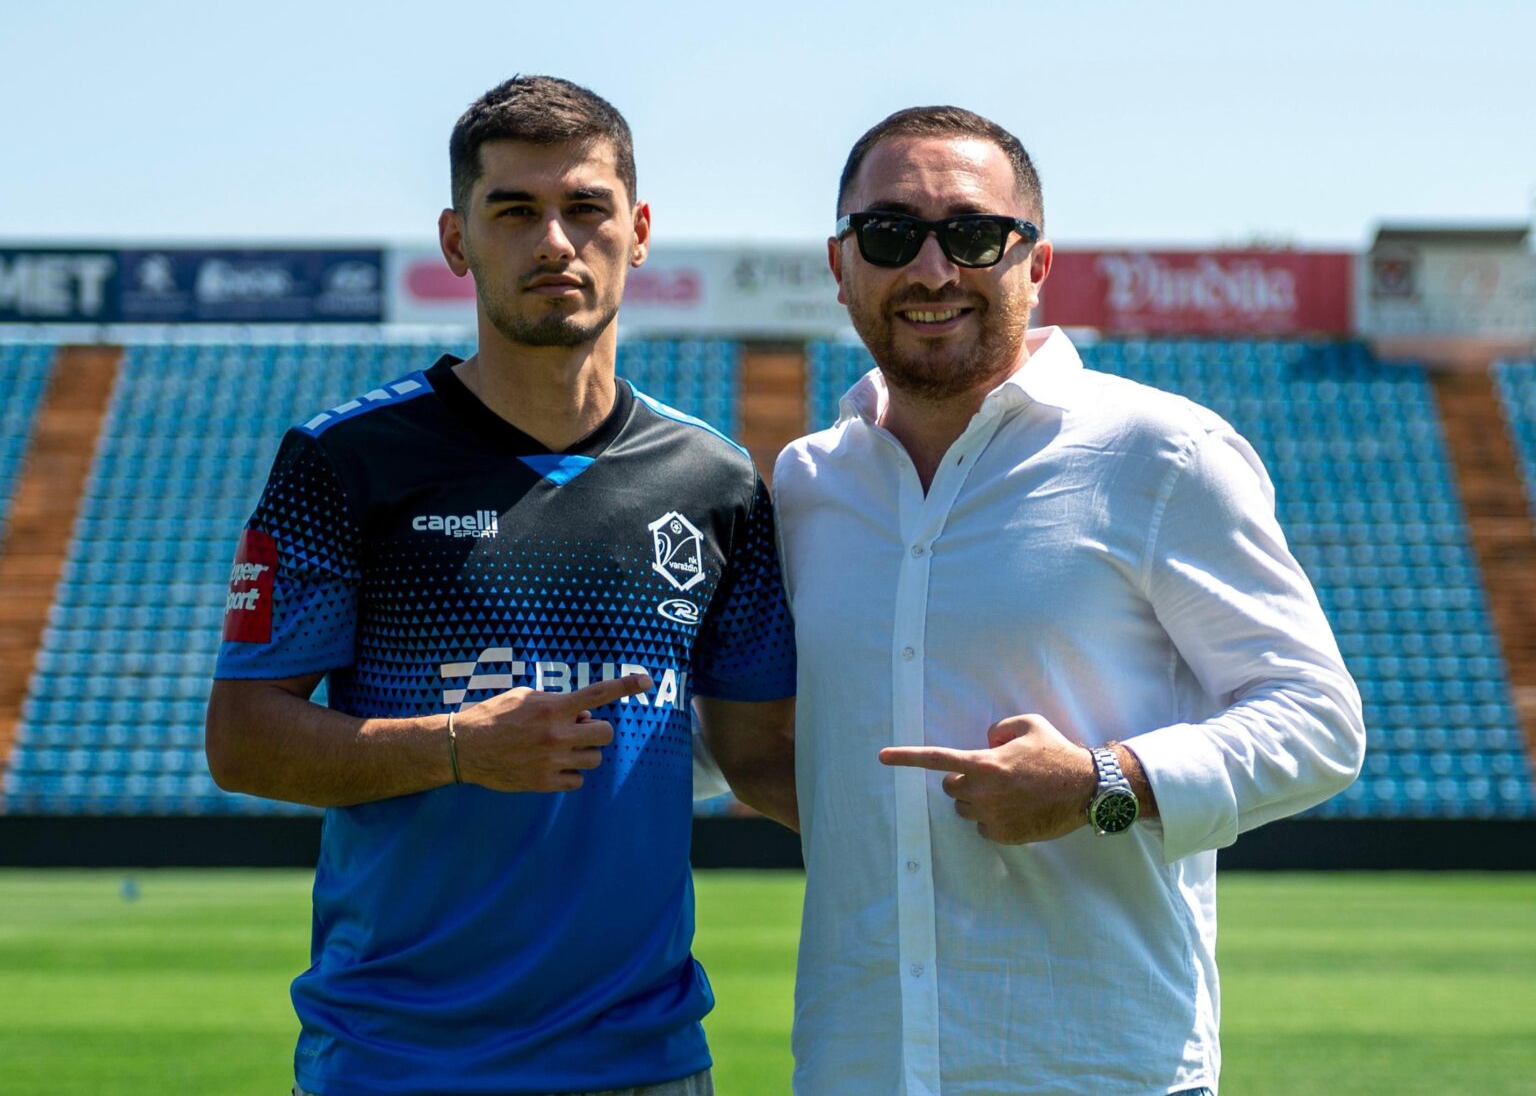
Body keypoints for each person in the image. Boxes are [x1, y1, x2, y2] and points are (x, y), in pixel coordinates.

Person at [206, 75, 797, 1096]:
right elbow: (243, 740)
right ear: (457, 240)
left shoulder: (717, 482)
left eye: (586, 208)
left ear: (638, 232)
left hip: (643, 1062)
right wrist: (456, 747)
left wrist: (955, 823)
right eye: (514, 211)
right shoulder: (347, 460)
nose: (555, 241)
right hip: (396, 1064)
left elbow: (760, 760)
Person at [772, 106, 1365, 1095]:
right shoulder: (806, 485)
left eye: (973, 234)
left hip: (1098, 1068)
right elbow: (758, 736)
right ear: (841, 264)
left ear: (1037, 262)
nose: (932, 269)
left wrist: (1101, 780)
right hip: (858, 1065)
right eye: (890, 233)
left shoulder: (1163, 454)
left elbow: (1320, 722)